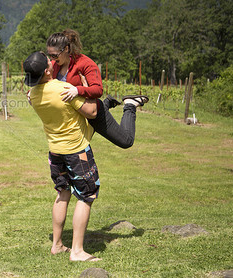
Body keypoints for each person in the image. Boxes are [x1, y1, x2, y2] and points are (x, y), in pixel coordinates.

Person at [23, 51, 101, 262]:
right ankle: (77, 251)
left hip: (55, 151)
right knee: (86, 196)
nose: (53, 62)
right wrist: (84, 87)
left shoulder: (33, 95)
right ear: (47, 71)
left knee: (62, 192)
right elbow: (92, 112)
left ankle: (57, 244)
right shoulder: (64, 89)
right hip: (76, 152)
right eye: (50, 62)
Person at [47, 29, 148, 149]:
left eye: (55, 55)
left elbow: (98, 90)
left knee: (126, 141)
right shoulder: (55, 65)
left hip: (93, 113)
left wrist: (77, 90)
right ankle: (107, 103)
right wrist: (32, 92)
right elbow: (45, 83)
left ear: (66, 49)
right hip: (74, 115)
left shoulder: (86, 63)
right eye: (50, 55)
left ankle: (130, 105)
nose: (52, 59)